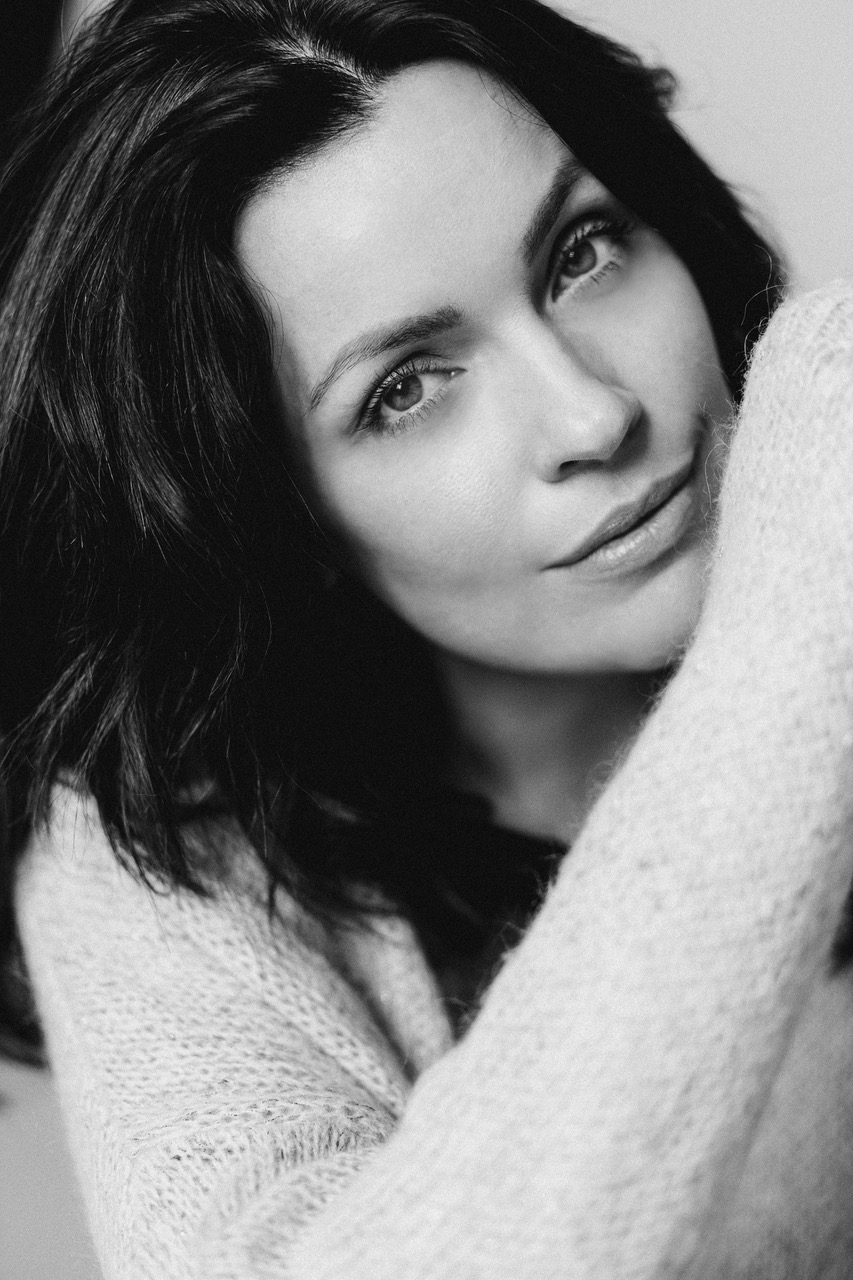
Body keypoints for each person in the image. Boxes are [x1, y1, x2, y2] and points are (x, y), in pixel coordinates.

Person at [0, 0, 851, 1276]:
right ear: (271, 518)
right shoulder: (167, 858)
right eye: (405, 388)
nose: (592, 416)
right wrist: (791, 649)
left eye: (581, 253)